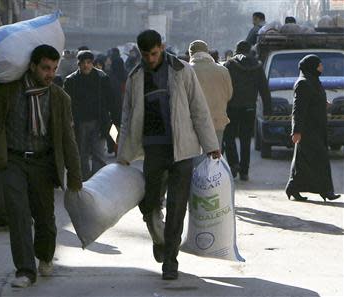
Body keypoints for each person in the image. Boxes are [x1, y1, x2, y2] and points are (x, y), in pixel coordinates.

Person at [117, 30, 220, 280]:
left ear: (161, 48)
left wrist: (210, 144)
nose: (150, 59)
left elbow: (199, 109)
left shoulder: (182, 70)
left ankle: (170, 261)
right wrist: (123, 153)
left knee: (177, 207)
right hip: (153, 150)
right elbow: (127, 117)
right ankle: (160, 240)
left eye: (153, 53)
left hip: (182, 150)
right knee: (149, 204)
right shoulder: (135, 77)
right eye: (145, 54)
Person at [0, 44, 82, 288]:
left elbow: (68, 139)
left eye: (54, 69)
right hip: (12, 160)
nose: (50, 74)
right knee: (19, 216)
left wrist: (75, 178)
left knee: (45, 218)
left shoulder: (59, 98)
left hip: (42, 163)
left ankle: (45, 256)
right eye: (45, 68)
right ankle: (25, 270)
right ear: (32, 66)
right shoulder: (8, 90)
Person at [285, 55, 341, 202]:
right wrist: (296, 131)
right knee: (318, 160)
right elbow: (298, 109)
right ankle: (326, 191)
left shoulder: (313, 81)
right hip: (307, 130)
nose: (321, 67)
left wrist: (324, 103)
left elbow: (314, 99)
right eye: (319, 65)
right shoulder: (303, 83)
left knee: (304, 161)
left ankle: (293, 187)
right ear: (311, 67)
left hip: (317, 128)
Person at [64, 50, 119, 180]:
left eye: (88, 62)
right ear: (78, 64)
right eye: (83, 63)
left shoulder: (102, 78)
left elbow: (111, 100)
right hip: (79, 122)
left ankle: (97, 182)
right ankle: (85, 181)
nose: (86, 66)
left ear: (92, 63)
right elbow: (67, 104)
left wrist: (115, 120)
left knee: (99, 153)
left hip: (99, 121)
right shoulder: (71, 80)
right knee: (81, 154)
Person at [223, 41, 271, 180]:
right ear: (249, 50)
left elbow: (224, 86)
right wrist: (268, 109)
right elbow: (264, 89)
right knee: (245, 139)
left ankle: (233, 163)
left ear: (236, 50)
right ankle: (244, 171)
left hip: (231, 107)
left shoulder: (229, 65)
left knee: (229, 136)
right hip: (250, 107)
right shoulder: (257, 66)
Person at [189, 40, 233, 146]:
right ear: (207, 52)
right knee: (213, 160)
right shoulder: (223, 71)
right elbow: (229, 95)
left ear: (191, 54)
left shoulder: (188, 71)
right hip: (217, 122)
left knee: (197, 160)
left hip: (193, 125)